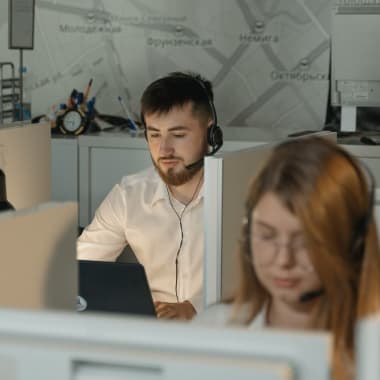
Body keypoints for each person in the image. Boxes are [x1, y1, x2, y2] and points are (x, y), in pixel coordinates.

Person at [195, 136, 380, 379]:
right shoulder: (214, 330)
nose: (283, 260)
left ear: (351, 243)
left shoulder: (371, 349)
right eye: (267, 235)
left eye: (306, 241)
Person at [77, 71, 223, 320]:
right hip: (152, 333)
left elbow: (264, 280)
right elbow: (81, 269)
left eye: (178, 135)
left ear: (210, 131)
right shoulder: (129, 195)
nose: (164, 150)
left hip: (225, 335)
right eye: (154, 135)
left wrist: (196, 306)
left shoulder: (242, 194)